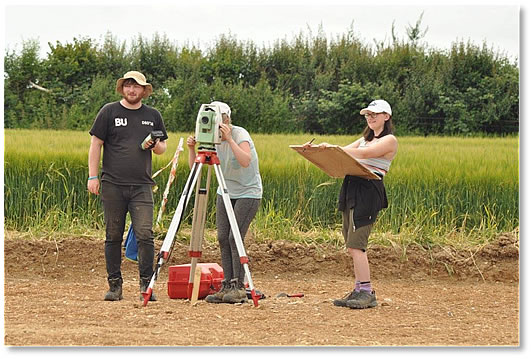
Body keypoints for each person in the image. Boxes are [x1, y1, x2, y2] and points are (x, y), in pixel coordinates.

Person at [303, 99, 397, 309]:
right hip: (351, 188)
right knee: (350, 245)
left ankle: (366, 292)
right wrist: (317, 149)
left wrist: (334, 149)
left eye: (375, 114)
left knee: (357, 245)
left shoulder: (390, 140)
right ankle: (358, 289)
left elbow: (363, 155)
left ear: (386, 117)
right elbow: (343, 152)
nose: (370, 118)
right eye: (368, 115)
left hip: (368, 190)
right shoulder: (364, 139)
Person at [88, 71, 168, 302]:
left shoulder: (153, 115)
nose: (132, 90)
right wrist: (93, 177)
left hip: (142, 185)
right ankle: (115, 285)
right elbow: (96, 144)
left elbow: (162, 148)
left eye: (137, 86)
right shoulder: (109, 112)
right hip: (112, 184)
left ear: (144, 91)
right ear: (122, 89)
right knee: (113, 235)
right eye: (128, 86)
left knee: (145, 234)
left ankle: (146, 284)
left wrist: (154, 145)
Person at [186, 101, 262, 304]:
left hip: (248, 192)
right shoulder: (210, 137)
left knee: (234, 237)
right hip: (225, 190)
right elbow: (196, 168)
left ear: (226, 119)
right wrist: (192, 148)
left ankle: (238, 286)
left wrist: (228, 139)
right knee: (222, 237)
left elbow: (245, 160)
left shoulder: (240, 134)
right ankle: (227, 283)